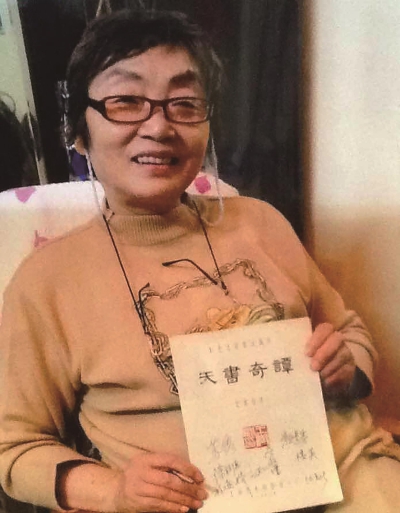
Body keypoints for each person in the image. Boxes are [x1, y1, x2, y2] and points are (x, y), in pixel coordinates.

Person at [0, 9, 399, 513]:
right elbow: (14, 447)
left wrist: (345, 366)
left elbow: (349, 331)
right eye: (126, 101)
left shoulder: (261, 222)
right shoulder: (47, 281)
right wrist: (113, 491)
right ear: (79, 130)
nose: (159, 126)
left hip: (346, 474)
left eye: (184, 104)